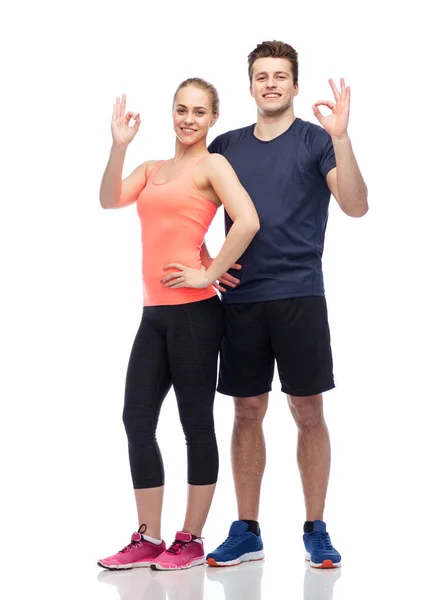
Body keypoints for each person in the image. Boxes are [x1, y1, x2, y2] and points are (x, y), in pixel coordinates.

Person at [204, 41, 368, 569]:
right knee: (246, 410)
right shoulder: (226, 145)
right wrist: (206, 259)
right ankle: (247, 529)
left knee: (308, 410)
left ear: (295, 85)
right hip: (242, 299)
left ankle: (315, 527)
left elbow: (356, 205)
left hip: (300, 293)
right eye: (261, 76)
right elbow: (185, 205)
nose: (270, 83)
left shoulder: (316, 140)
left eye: (280, 76)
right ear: (250, 85)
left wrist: (342, 139)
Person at [97, 78, 260, 571]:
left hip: (194, 314)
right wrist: (118, 147)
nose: (188, 119)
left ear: (213, 118)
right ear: (173, 113)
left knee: (195, 424)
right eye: (181, 109)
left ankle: (190, 540)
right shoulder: (151, 170)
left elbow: (247, 220)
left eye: (199, 112)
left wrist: (208, 273)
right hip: (153, 314)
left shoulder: (213, 165)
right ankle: (148, 537)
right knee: (137, 418)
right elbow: (108, 199)